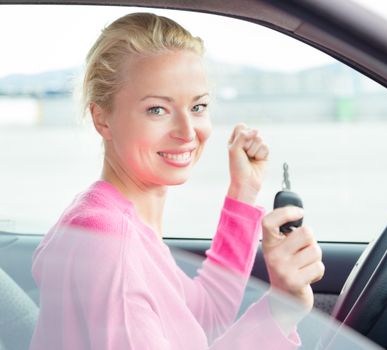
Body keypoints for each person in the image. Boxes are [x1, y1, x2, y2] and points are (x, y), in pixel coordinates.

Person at [29, 12, 324, 350]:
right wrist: (280, 310)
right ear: (102, 119)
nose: (187, 132)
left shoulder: (118, 221)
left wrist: (243, 192)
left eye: (197, 107)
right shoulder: (110, 243)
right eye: (158, 109)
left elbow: (204, 319)